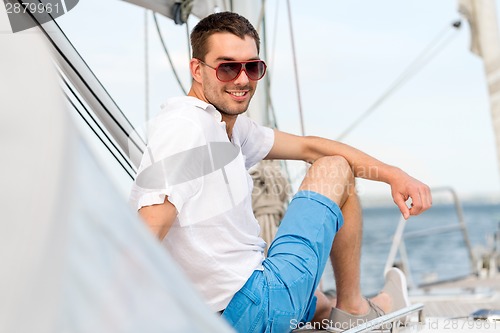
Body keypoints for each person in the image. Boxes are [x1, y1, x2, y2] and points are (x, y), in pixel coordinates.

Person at [130, 11, 432, 333]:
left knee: (321, 303)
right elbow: (144, 234)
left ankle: (372, 305)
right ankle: (357, 308)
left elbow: (307, 147)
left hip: (229, 311)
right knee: (334, 168)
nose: (242, 79)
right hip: (251, 306)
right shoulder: (186, 129)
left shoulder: (226, 127)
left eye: (253, 67)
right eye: (227, 67)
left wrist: (392, 174)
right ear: (197, 70)